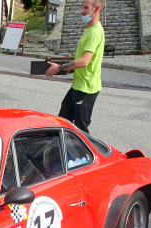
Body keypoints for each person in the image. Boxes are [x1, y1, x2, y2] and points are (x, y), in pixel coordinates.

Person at [45, 0, 105, 133]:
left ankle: (87, 153)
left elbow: (84, 61)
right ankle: (62, 151)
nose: (82, 11)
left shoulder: (95, 32)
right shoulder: (89, 29)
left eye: (85, 7)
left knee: (81, 128)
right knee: (63, 121)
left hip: (86, 89)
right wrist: (61, 65)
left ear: (96, 9)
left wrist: (60, 68)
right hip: (78, 85)